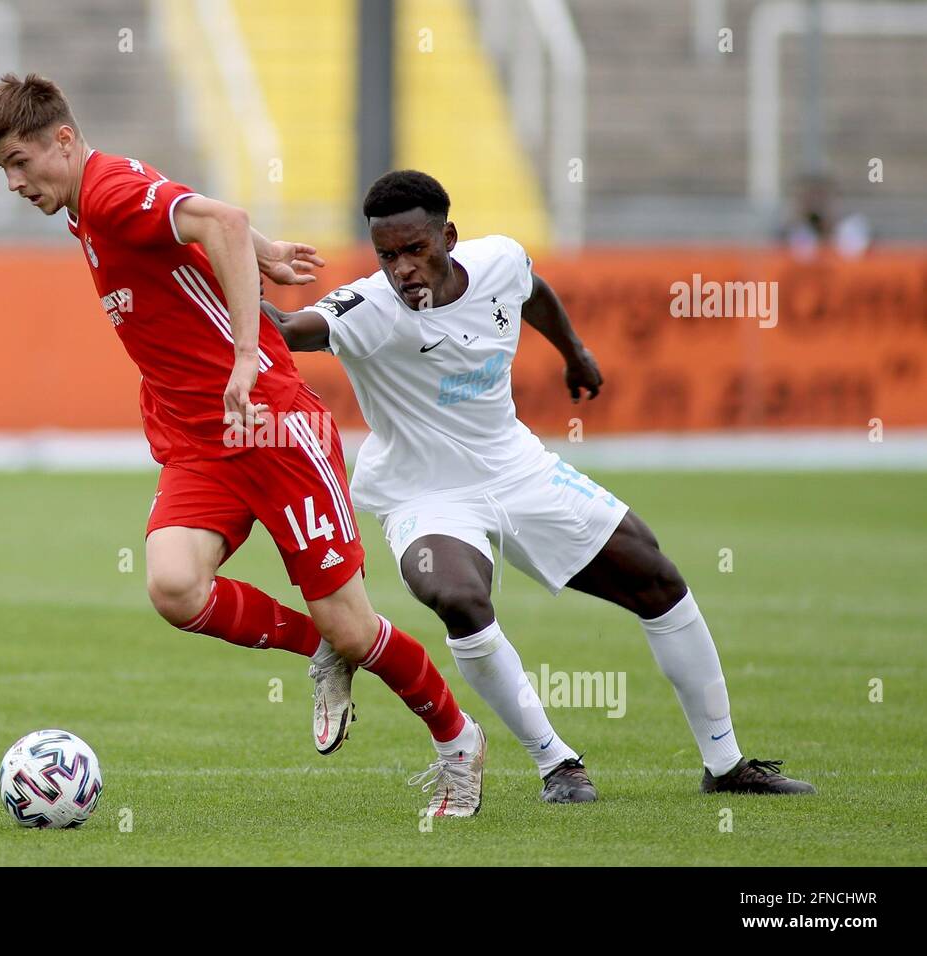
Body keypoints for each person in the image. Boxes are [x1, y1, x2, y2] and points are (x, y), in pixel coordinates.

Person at [0, 77, 486, 817]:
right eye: (3, 170)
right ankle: (320, 650)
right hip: (201, 442)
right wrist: (263, 251)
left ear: (64, 142)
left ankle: (457, 742)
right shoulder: (94, 200)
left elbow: (224, 222)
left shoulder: (105, 194)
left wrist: (245, 351)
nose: (14, 182)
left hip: (268, 427)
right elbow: (210, 223)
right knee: (175, 586)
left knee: (355, 623)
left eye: (19, 161)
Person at [262, 169, 817, 800]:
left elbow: (533, 291)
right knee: (459, 597)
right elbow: (282, 328)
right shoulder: (368, 310)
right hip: (424, 492)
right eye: (387, 255)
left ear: (449, 235)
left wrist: (574, 353)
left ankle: (726, 766)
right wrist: (210, 264)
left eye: (416, 250)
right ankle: (557, 764)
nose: (403, 269)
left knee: (656, 577)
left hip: (516, 466)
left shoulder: (498, 259)